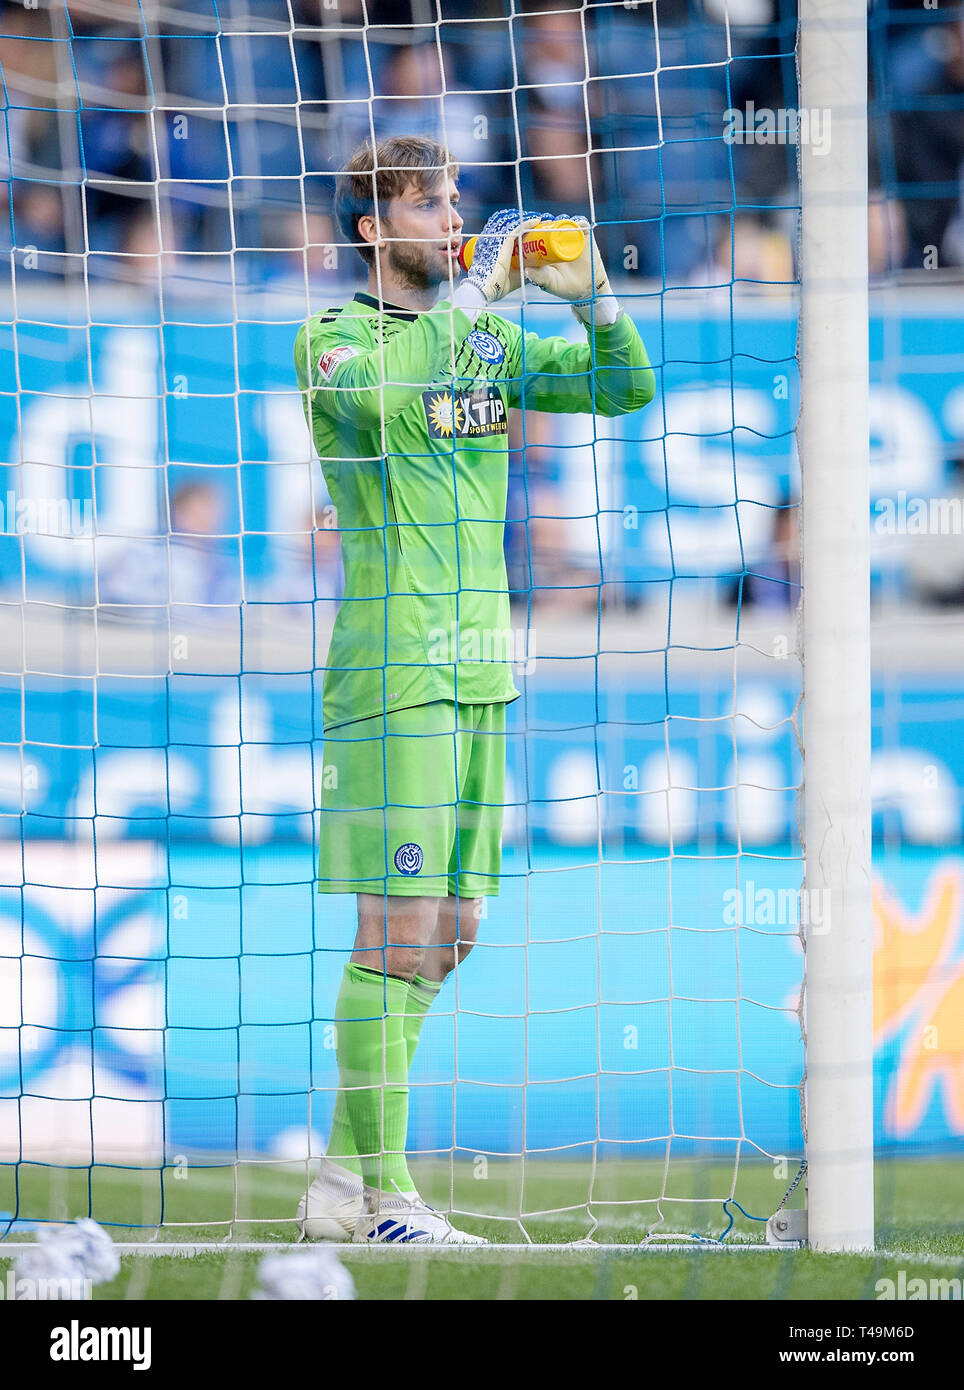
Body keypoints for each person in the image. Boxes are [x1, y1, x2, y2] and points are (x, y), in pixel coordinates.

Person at [293, 134, 655, 1244]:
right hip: (393, 674)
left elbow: (627, 389)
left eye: (454, 200)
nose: (451, 219)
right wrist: (471, 297)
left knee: (450, 933)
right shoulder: (333, 341)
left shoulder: (487, 339)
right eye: (425, 205)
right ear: (371, 228)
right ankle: (390, 1200)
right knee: (395, 931)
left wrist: (591, 299)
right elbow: (392, 397)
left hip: (483, 674)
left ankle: (342, 1176)